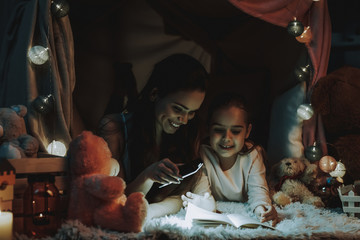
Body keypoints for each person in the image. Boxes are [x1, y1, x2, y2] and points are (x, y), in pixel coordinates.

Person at [97, 53, 214, 219]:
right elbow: (118, 200)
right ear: (154, 94)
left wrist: (149, 212)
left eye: (192, 112)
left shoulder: (189, 131)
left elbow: (181, 197)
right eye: (178, 109)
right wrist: (147, 176)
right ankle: (124, 83)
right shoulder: (115, 128)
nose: (184, 120)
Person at [182, 92, 279, 226]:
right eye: (219, 130)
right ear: (208, 129)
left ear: (247, 131)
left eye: (235, 131)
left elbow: (258, 190)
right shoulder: (202, 154)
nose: (226, 138)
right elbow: (202, 191)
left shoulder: (253, 155)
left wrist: (262, 208)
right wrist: (204, 205)